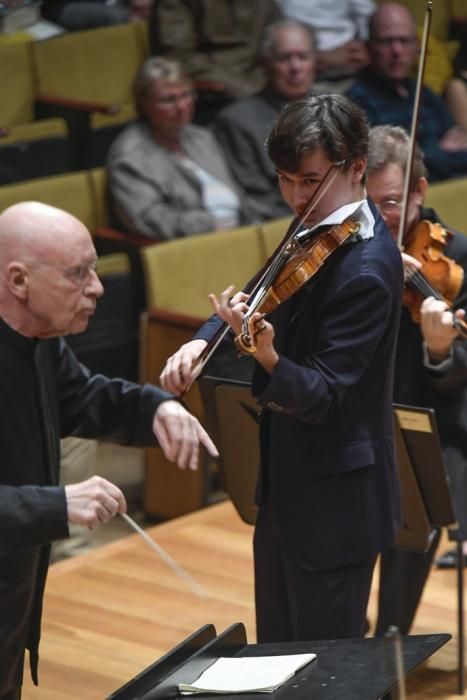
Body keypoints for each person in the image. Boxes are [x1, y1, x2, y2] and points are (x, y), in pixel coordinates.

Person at [160, 93, 403, 643]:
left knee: (323, 672)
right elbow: (258, 293)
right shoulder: (312, 229)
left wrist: (268, 355)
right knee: (276, 654)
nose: (296, 196)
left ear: (357, 167)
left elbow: (322, 395)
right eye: (286, 179)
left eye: (310, 180)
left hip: (336, 506)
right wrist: (202, 343)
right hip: (290, 492)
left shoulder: (365, 268)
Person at [0, 201, 218, 699]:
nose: (97, 288)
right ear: (18, 281)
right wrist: (58, 504)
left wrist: (156, 409)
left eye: (95, 270)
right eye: (78, 275)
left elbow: (84, 397)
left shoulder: (39, 339)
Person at [365, 124, 467, 635]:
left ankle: (391, 641)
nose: (376, 219)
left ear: (420, 193)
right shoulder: (346, 253)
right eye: (365, 203)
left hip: (430, 426)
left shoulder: (458, 260)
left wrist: (440, 351)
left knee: (416, 494)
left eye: (389, 203)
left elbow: (454, 384)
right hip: (356, 422)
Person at [106, 57, 259, 242]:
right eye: (168, 100)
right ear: (144, 105)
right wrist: (210, 226)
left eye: (186, 95)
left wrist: (256, 226)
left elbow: (238, 195)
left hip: (241, 236)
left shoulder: (202, 138)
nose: (181, 107)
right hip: (192, 248)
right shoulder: (130, 157)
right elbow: (149, 219)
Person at [346, 2, 467, 182]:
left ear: (416, 46)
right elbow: (389, 172)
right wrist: (440, 152)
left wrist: (426, 156)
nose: (397, 51)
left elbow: (462, 147)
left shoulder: (425, 93)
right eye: (386, 41)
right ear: (368, 47)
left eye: (404, 41)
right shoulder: (355, 104)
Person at [214, 18, 316, 220]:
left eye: (303, 57)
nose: (295, 67)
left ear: (315, 61)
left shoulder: (337, 109)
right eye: (284, 58)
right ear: (266, 64)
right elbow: (259, 202)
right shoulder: (238, 121)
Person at [149, 0, 282, 123]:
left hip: (265, 83)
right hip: (214, 97)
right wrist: (245, 85)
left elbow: (279, 36)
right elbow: (179, 57)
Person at [276, 0, 374, 89]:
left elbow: (367, 15)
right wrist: (317, 57)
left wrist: (364, 46)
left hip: (348, 69)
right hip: (293, 65)